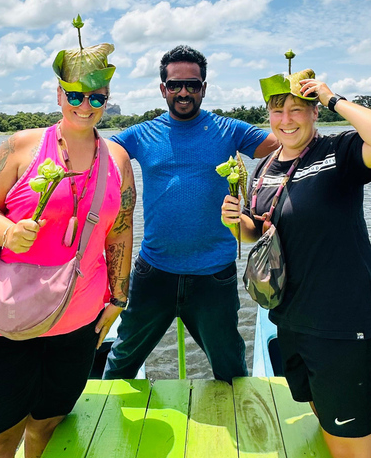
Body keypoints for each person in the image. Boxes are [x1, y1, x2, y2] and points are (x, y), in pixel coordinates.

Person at [0, 29, 135, 458]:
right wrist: (8, 233)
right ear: (59, 94)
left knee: (50, 426)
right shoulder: (22, 146)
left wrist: (119, 298)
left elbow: (120, 234)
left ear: (107, 99)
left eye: (97, 98)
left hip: (75, 321)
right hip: (0, 318)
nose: (85, 106)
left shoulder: (119, 159)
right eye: (75, 95)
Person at [221, 69, 371, 458]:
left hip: (345, 324)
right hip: (292, 320)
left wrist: (331, 95)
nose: (286, 119)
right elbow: (260, 231)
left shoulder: (337, 154)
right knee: (328, 432)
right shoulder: (265, 165)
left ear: (314, 113)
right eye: (277, 110)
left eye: (298, 109)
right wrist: (236, 222)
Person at [103, 45, 279, 383]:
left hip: (214, 277)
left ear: (204, 88)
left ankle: (238, 433)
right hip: (154, 272)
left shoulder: (229, 131)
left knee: (231, 373)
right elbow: (98, 153)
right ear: (163, 89)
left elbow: (288, 145)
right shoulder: (141, 134)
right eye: (175, 85)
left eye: (193, 85)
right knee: (120, 366)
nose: (184, 92)